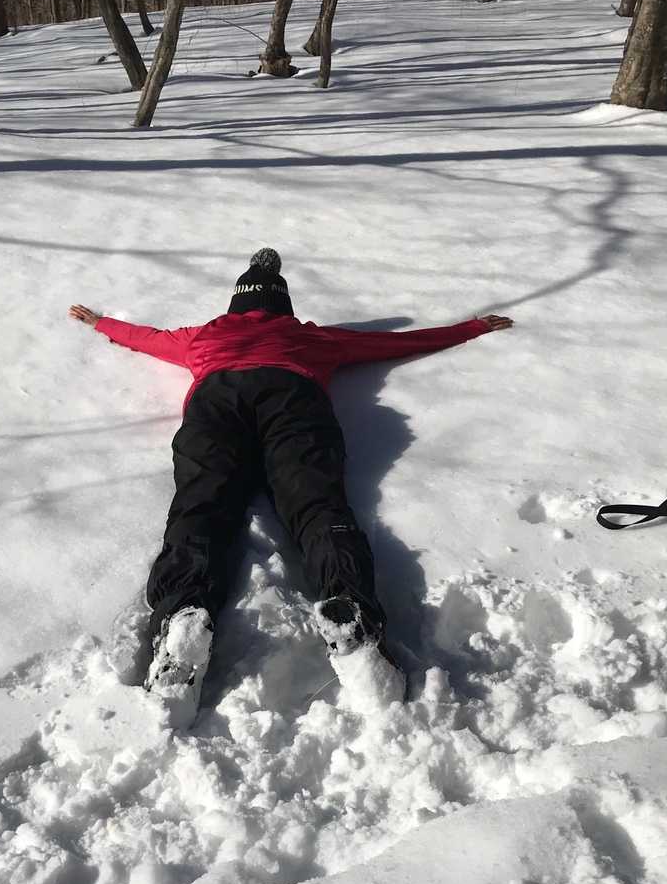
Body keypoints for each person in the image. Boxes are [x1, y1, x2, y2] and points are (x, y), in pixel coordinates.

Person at [69, 248, 513, 724]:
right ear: (283, 306)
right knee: (318, 507)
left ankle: (183, 619)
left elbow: (148, 338)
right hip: (294, 401)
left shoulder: (205, 334)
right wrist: (470, 328)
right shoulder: (310, 336)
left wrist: (100, 323)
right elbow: (391, 344)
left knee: (201, 506)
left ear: (236, 303)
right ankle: (353, 621)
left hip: (216, 404)